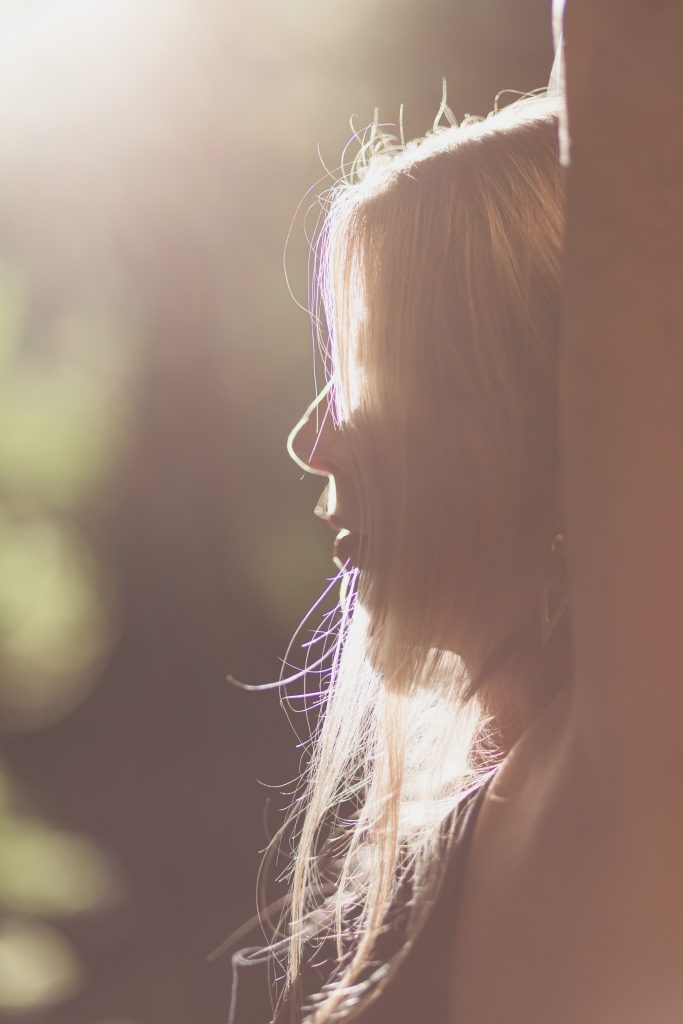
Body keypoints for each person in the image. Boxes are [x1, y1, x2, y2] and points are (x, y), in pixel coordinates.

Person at [233, 2, 683, 1021]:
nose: (313, 440)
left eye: (368, 373)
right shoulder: (518, 797)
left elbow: (632, 55)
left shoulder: (620, 767)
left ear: (523, 413)